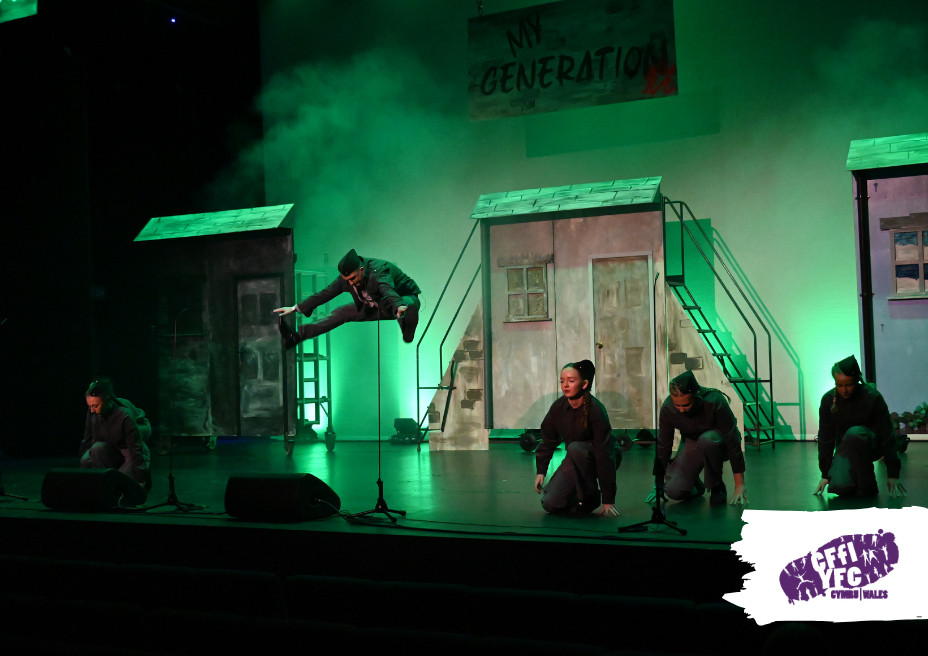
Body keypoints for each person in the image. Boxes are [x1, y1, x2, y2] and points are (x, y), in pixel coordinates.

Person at [275, 248, 421, 347]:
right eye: (347, 280)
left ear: (362, 270)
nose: (351, 283)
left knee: (405, 305)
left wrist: (398, 306)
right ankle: (295, 338)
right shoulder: (345, 279)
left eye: (353, 278)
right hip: (374, 306)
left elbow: (387, 290)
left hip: (401, 299)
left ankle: (406, 327)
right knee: (341, 312)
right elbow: (325, 293)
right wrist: (295, 308)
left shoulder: (379, 271)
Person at [534, 360, 621, 516]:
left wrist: (608, 499)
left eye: (571, 381)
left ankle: (591, 496)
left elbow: (604, 454)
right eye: (562, 381)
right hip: (575, 457)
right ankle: (579, 496)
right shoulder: (558, 407)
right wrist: (541, 471)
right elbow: (548, 440)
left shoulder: (596, 410)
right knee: (549, 503)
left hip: (601, 455)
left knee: (575, 448)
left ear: (584, 384)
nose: (566, 385)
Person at [814, 355, 906, 498]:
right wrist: (825, 474)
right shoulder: (828, 400)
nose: (844, 390)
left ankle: (868, 485)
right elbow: (825, 438)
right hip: (846, 448)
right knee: (839, 487)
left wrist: (893, 474)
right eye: (839, 385)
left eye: (849, 385)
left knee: (855, 433)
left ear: (857, 381)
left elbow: (887, 435)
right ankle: (854, 480)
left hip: (871, 445)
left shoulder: (872, 397)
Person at [654, 370, 747, 506]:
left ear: (696, 397)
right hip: (693, 442)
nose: (681, 410)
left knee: (707, 440)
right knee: (673, 491)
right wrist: (658, 483)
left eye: (686, 405)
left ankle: (716, 487)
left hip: (718, 441)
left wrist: (739, 485)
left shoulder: (714, 400)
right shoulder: (667, 409)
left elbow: (732, 441)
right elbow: (663, 446)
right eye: (677, 405)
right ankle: (696, 485)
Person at [79, 378, 152, 499]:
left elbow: (136, 448)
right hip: (114, 443)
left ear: (107, 399)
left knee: (120, 483)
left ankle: (142, 472)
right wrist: (82, 470)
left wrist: (141, 479)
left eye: (95, 406)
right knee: (90, 455)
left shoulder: (124, 414)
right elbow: (88, 438)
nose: (92, 410)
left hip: (134, 440)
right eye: (90, 406)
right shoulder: (93, 411)